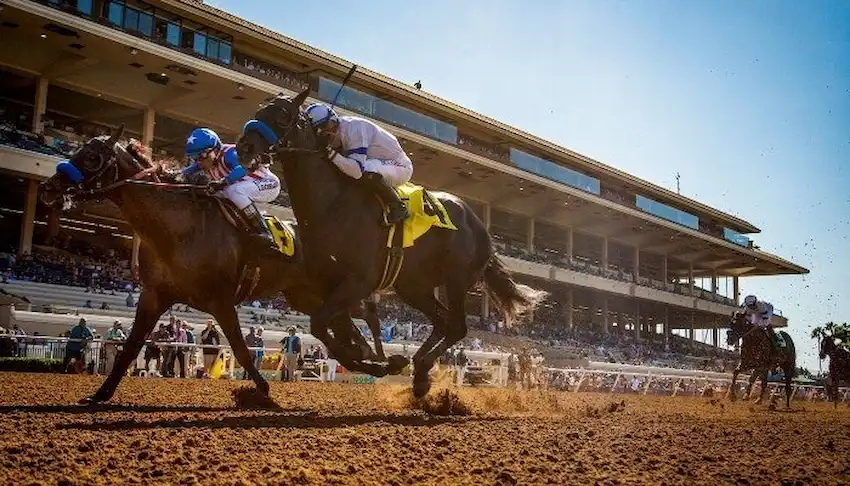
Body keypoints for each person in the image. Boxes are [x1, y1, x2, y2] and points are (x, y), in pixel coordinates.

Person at [304, 103, 412, 224]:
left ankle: (397, 206)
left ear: (331, 123)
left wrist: (331, 154)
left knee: (365, 168)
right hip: (377, 162)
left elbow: (357, 171)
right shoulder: (339, 130)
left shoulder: (354, 129)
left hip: (400, 166)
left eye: (320, 131)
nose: (320, 136)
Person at [182, 127, 281, 251]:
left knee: (233, 190)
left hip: (268, 184)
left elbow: (242, 169)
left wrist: (223, 182)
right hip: (247, 187)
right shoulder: (207, 160)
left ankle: (264, 231)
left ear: (212, 151)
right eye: (195, 158)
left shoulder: (229, 153)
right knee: (214, 193)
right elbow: (183, 173)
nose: (198, 162)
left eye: (200, 157)